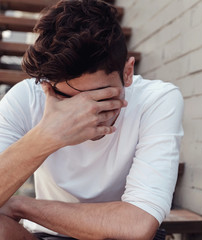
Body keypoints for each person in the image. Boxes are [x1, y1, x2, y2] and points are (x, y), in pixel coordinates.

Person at [0, 0, 183, 239]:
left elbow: (137, 225)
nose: (82, 114)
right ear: (46, 83)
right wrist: (48, 134)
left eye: (99, 99)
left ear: (128, 73)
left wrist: (20, 205)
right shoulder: (27, 97)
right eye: (65, 97)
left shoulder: (158, 99)